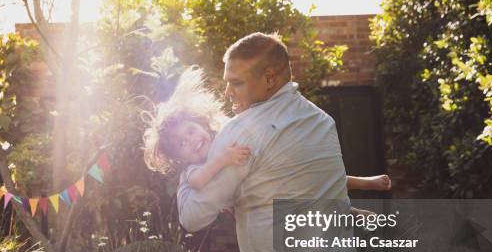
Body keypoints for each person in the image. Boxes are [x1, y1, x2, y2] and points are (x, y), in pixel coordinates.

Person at [170, 32, 371, 252]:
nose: (227, 92)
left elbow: (192, 216)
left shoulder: (241, 132)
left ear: (270, 78)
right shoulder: (322, 122)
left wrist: (185, 176)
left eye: (236, 83)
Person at [143, 67, 391, 195]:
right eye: (181, 145)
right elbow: (197, 183)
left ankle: (361, 183)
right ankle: (351, 213)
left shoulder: (225, 133)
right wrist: (222, 160)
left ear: (201, 123)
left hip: (272, 174)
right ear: (180, 158)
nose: (191, 140)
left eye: (189, 131)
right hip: (260, 198)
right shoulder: (194, 170)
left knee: (310, 177)